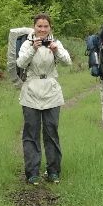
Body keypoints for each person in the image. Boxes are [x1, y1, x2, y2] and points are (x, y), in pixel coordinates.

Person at [16, 13, 71, 184]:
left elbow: (68, 61)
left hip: (51, 90)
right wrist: (33, 48)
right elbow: (20, 63)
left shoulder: (56, 43)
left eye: (46, 26)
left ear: (50, 28)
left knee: (51, 131)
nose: (42, 29)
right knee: (31, 133)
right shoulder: (27, 44)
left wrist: (56, 50)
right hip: (31, 90)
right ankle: (32, 172)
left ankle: (53, 171)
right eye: (39, 26)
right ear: (34, 27)